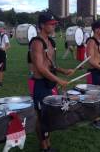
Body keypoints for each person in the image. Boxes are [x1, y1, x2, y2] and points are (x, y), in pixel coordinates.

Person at [28, 12, 75, 152]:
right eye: (51, 24)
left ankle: (47, 143)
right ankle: (44, 147)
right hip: (40, 84)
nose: (54, 26)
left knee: (49, 115)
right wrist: (59, 80)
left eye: (55, 24)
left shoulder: (51, 41)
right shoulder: (36, 43)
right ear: (42, 25)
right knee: (41, 116)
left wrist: (62, 70)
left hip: (49, 83)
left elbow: (51, 64)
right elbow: (40, 67)